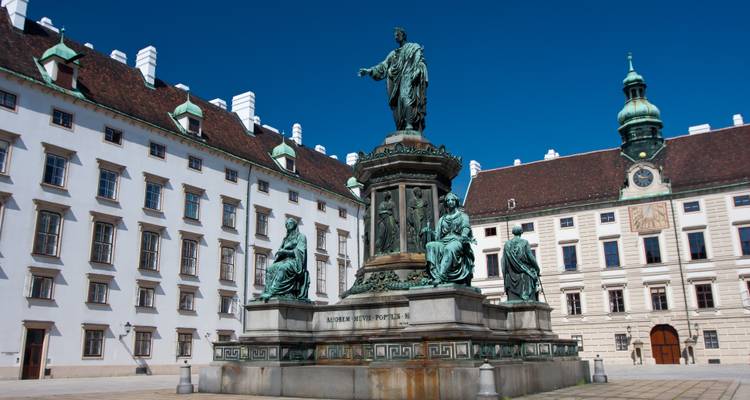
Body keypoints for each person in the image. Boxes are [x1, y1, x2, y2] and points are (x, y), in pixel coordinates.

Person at [359, 27, 428, 132]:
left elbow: (420, 60)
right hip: (396, 85)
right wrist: (369, 71)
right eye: (395, 35)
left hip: (408, 77)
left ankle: (409, 125)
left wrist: (417, 70)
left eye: (397, 35)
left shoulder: (414, 47)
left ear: (403, 35)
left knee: (407, 98)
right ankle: (402, 126)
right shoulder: (393, 54)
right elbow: (383, 66)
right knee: (398, 108)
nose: (396, 37)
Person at [425, 193, 475, 285]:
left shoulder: (463, 216)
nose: (450, 202)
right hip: (443, 241)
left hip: (457, 240)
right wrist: (428, 232)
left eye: (452, 200)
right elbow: (437, 235)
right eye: (448, 200)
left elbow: (466, 227)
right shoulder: (442, 219)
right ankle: (434, 275)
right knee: (430, 246)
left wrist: (464, 235)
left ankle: (441, 276)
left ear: (456, 201)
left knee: (449, 249)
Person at [259, 218, 310, 302]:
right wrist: (280, 252)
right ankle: (268, 291)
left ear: (295, 224)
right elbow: (281, 250)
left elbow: (300, 252)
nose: (288, 224)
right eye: (286, 224)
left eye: (290, 223)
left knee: (283, 268)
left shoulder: (301, 236)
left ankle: (272, 292)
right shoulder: (285, 239)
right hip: (284, 260)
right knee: (270, 269)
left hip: (295, 261)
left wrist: (285, 251)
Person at [501, 225, 540, 302]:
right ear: (521, 233)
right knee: (532, 276)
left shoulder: (507, 244)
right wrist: (537, 268)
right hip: (524, 274)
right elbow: (531, 257)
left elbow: (503, 261)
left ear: (513, 233)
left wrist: (505, 275)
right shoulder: (525, 242)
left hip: (511, 275)